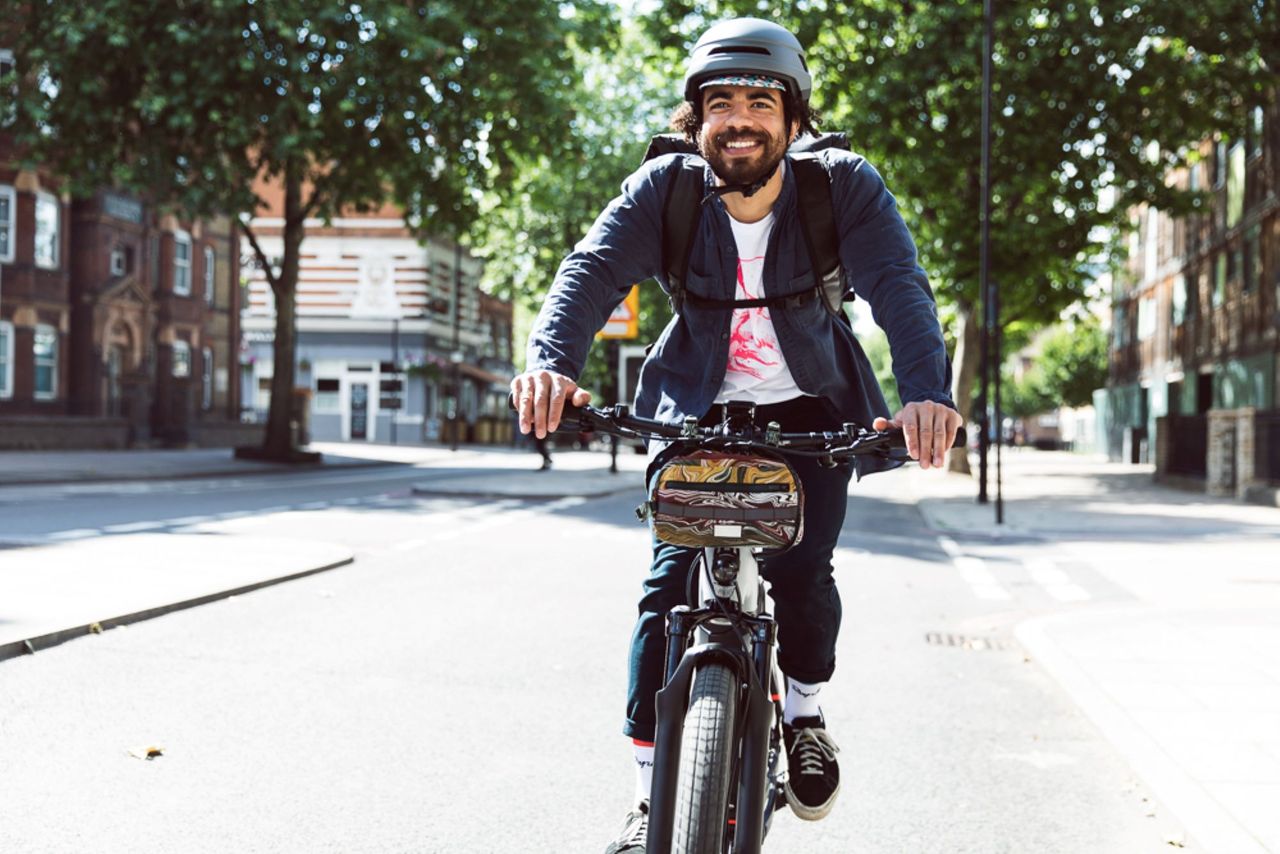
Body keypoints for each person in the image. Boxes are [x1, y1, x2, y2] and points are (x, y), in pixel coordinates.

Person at [510, 17, 961, 852]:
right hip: (694, 409)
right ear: (697, 121)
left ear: (793, 121)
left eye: (762, 100)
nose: (740, 118)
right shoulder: (665, 191)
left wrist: (927, 394)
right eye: (720, 103)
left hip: (812, 410)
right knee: (667, 583)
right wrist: (549, 366)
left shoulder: (842, 188)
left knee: (801, 571)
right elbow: (590, 270)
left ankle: (806, 713)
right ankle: (652, 796)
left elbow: (899, 285)